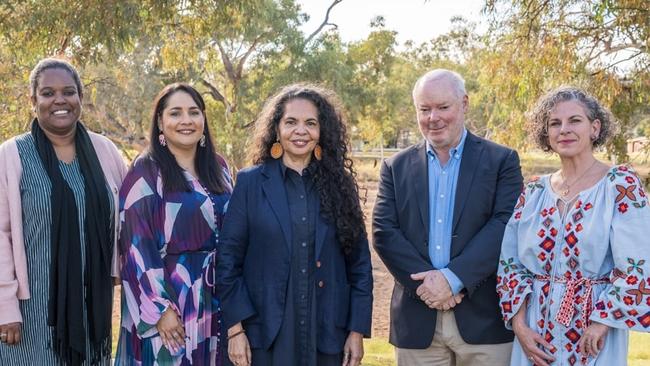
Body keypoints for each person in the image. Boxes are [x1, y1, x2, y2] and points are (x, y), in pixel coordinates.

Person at [372, 69, 523, 365]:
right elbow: (384, 231)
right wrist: (428, 286)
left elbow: (504, 224)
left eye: (443, 107)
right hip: (417, 318)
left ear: (464, 104)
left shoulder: (501, 160)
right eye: (424, 109)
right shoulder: (395, 166)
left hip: (484, 320)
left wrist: (453, 280)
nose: (433, 118)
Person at [215, 84, 373, 366]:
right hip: (262, 336)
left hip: (326, 335)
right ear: (277, 129)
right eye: (291, 122)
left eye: (310, 123)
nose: (301, 130)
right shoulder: (251, 183)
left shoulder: (341, 186)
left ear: (322, 130)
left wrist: (357, 329)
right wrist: (235, 329)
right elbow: (228, 261)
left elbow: (359, 265)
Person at [497, 86, 650, 366]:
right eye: (555, 123)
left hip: (594, 330)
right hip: (535, 330)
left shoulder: (620, 186)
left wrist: (603, 322)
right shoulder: (533, 192)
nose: (564, 129)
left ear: (595, 127)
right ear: (546, 134)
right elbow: (510, 266)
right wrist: (520, 326)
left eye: (574, 120)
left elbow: (639, 264)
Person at [0, 58, 127, 365]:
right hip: (30, 312)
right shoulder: (12, 155)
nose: (59, 100)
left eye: (69, 92)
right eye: (47, 93)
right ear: (33, 101)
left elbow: (130, 216)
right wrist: (5, 305)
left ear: (80, 99)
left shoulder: (105, 151)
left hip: (91, 307)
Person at [114, 83, 232, 365]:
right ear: (160, 122)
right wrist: (160, 308)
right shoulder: (146, 172)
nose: (186, 121)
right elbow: (135, 246)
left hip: (217, 297)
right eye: (175, 113)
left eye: (194, 112)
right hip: (172, 300)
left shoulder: (219, 167)